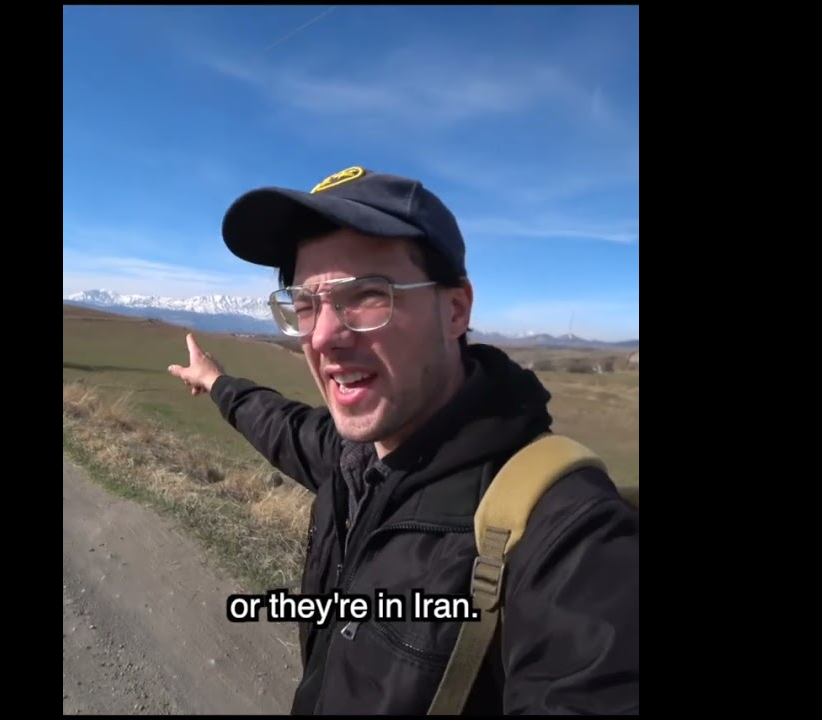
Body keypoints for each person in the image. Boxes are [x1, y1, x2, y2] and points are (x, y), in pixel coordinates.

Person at [167, 167, 639, 715]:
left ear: (455, 310)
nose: (322, 336)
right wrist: (217, 383)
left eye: (368, 295)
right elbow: (281, 425)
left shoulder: (569, 539)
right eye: (305, 304)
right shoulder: (355, 460)